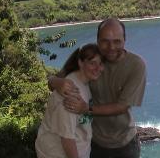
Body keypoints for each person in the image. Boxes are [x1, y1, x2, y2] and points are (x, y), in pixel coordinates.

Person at [49, 18, 146, 158]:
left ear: (125, 40)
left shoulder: (136, 65)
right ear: (97, 40)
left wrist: (85, 109)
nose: (111, 47)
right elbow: (53, 81)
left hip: (125, 144)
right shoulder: (89, 58)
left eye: (117, 41)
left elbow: (122, 106)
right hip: (94, 142)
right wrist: (57, 82)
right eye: (105, 41)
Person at [35, 43, 104, 158]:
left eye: (100, 63)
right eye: (92, 63)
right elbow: (67, 139)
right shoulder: (71, 92)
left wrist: (53, 80)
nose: (98, 68)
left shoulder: (86, 83)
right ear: (81, 63)